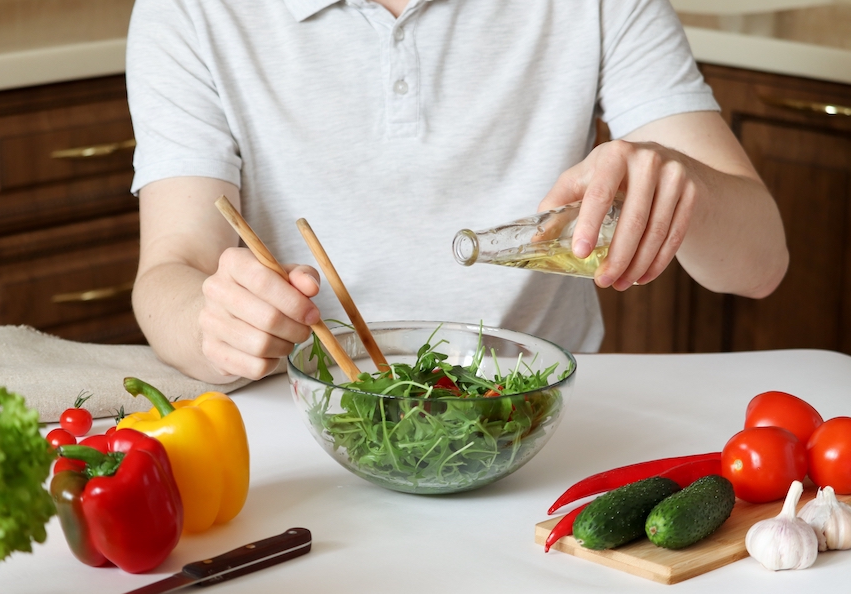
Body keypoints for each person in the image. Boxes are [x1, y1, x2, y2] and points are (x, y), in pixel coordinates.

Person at [125, 0, 788, 384]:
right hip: (309, 426)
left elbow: (761, 262)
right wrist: (215, 322)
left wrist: (683, 182)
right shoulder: (188, 10)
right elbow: (168, 275)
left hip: (537, 420)